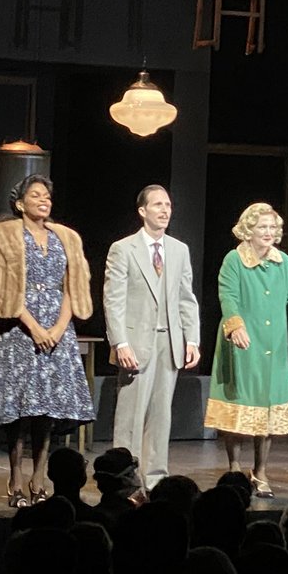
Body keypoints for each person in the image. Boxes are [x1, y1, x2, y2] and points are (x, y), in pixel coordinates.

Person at [0, 174, 95, 508]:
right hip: (21, 328)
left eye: (48, 197)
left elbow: (74, 285)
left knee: (48, 410)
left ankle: (39, 478)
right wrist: (34, 327)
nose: (44, 200)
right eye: (36, 195)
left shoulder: (66, 237)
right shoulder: (5, 235)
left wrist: (57, 328)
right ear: (19, 203)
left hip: (59, 327)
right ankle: (14, 478)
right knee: (22, 410)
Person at [204, 203, 288, 497]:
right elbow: (228, 296)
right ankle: (235, 468)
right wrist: (235, 325)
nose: (267, 232)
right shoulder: (234, 260)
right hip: (242, 344)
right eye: (260, 227)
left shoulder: (283, 262)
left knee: (266, 413)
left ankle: (260, 470)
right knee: (239, 410)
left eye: (271, 227)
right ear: (248, 231)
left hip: (273, 347)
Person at [104, 184, 201, 491]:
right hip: (136, 343)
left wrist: (192, 339)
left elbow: (187, 298)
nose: (164, 210)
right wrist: (120, 342)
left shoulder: (178, 249)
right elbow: (113, 299)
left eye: (168, 205)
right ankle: (124, 479)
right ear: (142, 211)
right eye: (157, 205)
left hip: (169, 343)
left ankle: (156, 477)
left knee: (161, 416)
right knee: (130, 416)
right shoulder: (124, 248)